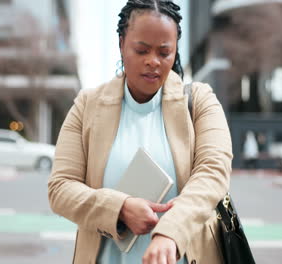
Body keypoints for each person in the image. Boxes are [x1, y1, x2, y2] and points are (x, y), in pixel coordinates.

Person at [48, 1, 233, 263]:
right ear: (122, 44)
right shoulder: (86, 106)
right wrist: (119, 209)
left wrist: (171, 232)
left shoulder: (200, 101)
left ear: (175, 50)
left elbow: (213, 173)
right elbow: (60, 188)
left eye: (164, 52)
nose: (153, 62)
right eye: (141, 50)